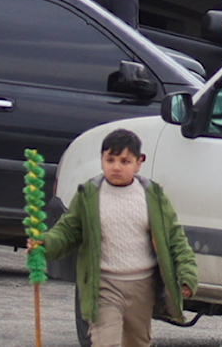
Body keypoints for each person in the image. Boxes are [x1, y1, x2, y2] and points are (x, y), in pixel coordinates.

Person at [35, 126, 197, 347]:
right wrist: (45, 243)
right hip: (103, 285)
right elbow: (67, 231)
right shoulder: (89, 195)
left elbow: (175, 239)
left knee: (137, 342)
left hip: (142, 287)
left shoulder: (153, 196)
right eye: (110, 160)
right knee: (105, 341)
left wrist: (187, 274)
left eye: (125, 161)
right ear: (101, 160)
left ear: (139, 162)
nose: (116, 167)